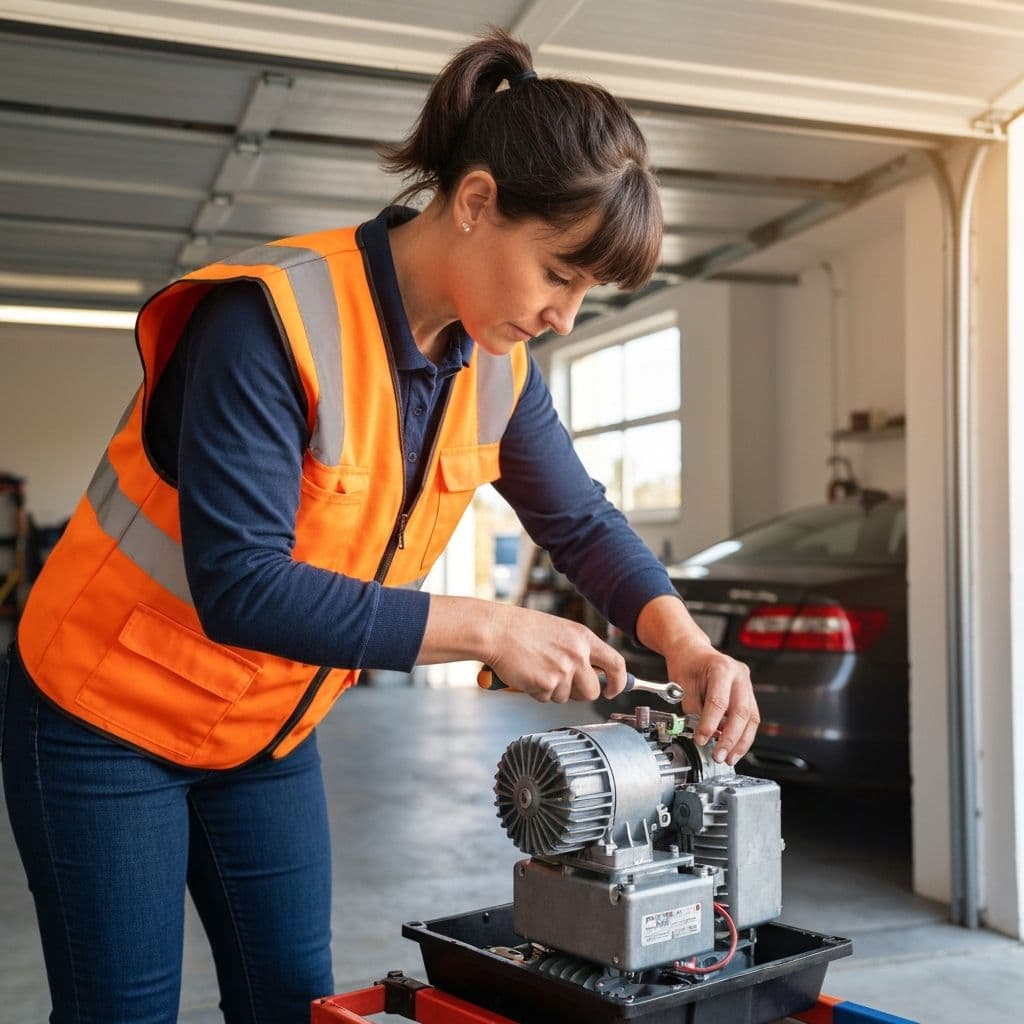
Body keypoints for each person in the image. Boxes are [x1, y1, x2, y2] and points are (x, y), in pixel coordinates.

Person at [0, 28, 758, 1024]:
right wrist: (488, 627)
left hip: (265, 730)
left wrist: (685, 640)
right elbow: (241, 585)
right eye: (559, 274)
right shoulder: (267, 323)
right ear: (477, 203)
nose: (565, 316)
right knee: (125, 1011)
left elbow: (577, 518)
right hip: (103, 714)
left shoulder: (492, 364)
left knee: (295, 1002)